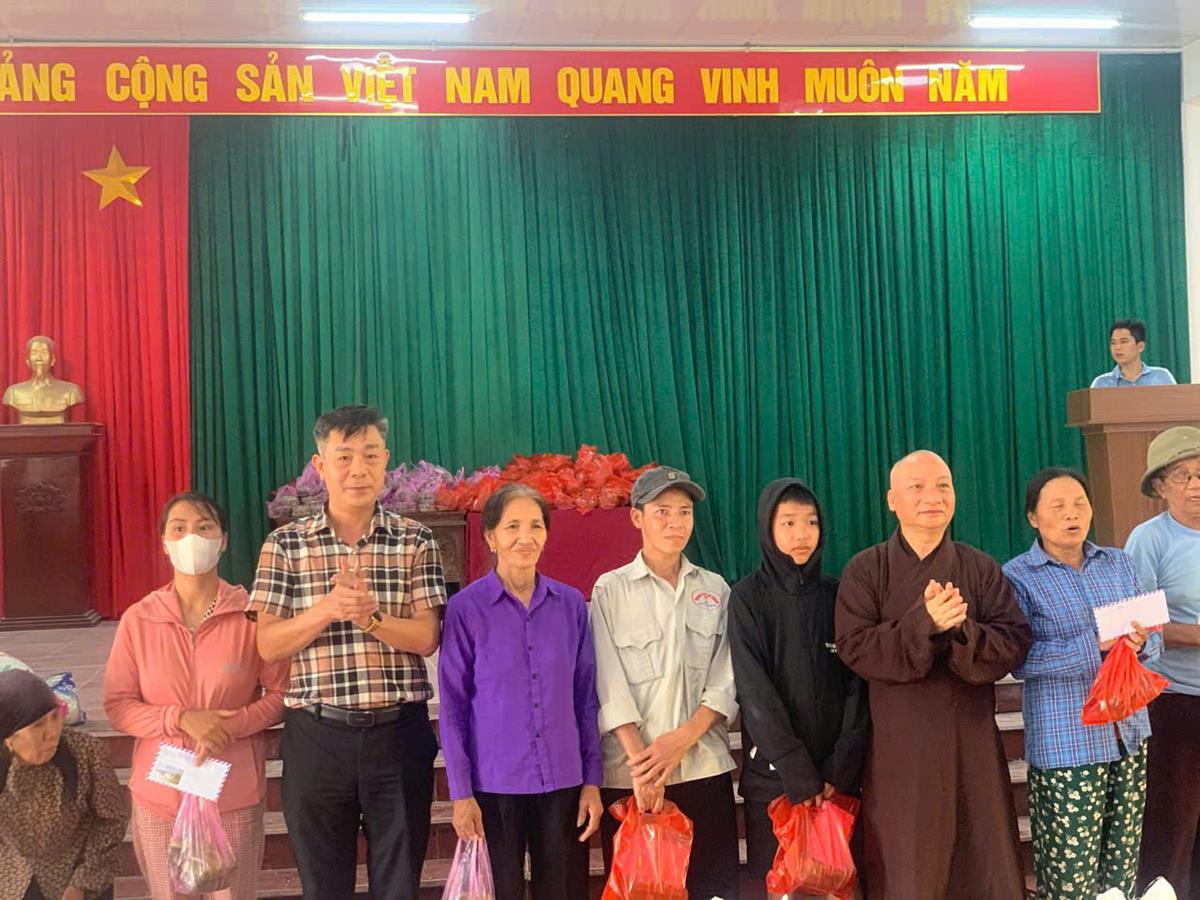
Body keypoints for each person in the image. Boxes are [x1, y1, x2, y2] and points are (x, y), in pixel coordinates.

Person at [250, 404, 446, 900]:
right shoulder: (285, 544)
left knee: (399, 884)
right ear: (320, 466)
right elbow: (268, 644)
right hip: (317, 736)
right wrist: (327, 609)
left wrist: (370, 617)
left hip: (397, 736)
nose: (358, 469)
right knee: (323, 885)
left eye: (370, 455)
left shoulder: (416, 540)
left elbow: (427, 637)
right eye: (344, 457)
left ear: (386, 461)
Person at [834, 450, 1032, 900]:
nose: (933, 497)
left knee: (982, 856)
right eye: (917, 487)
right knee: (909, 862)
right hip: (901, 744)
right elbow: (854, 646)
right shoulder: (866, 569)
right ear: (892, 500)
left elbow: (1013, 641)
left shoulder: (980, 567)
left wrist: (961, 629)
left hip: (971, 739)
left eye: (943, 486)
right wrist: (925, 622)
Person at [104, 491, 289, 900]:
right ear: (164, 543)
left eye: (204, 527)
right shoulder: (140, 619)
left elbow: (280, 693)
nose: (192, 537)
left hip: (232, 790)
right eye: (180, 528)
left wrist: (231, 724)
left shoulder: (251, 615)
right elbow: (119, 705)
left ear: (223, 541)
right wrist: (180, 719)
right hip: (160, 794)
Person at [438, 484, 602, 900]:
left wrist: (592, 781)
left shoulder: (570, 605)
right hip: (494, 785)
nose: (524, 537)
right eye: (512, 526)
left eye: (535, 526)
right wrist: (461, 793)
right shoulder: (465, 609)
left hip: (564, 781)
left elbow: (586, 699)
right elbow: (453, 708)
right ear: (491, 537)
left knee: (563, 892)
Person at [1003, 468, 1160, 899]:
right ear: (1033, 517)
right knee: (1070, 878)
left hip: (1129, 734)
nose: (1071, 514)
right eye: (1057, 506)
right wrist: (1094, 644)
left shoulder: (1117, 563)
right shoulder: (1018, 576)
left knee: (1121, 871)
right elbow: (1020, 659)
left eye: (1079, 504)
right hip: (1067, 745)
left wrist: (1141, 642)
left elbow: (1155, 638)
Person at [590, 466, 740, 900]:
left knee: (713, 890)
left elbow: (726, 678)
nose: (675, 522)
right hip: (633, 777)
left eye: (684, 512)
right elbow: (608, 682)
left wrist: (682, 740)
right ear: (636, 517)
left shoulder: (715, 589)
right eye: (662, 511)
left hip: (703, 767)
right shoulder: (611, 590)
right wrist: (643, 766)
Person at [730, 478, 868, 900]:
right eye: (788, 522)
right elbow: (755, 693)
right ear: (767, 528)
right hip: (775, 782)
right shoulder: (747, 598)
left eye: (811, 522)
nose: (801, 533)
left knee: (838, 887)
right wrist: (799, 774)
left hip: (837, 781)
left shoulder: (838, 595)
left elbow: (857, 684)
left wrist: (838, 768)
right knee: (781, 890)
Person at [1127, 426, 1200, 898]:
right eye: (1182, 475)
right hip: (1175, 702)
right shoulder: (1148, 540)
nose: (1195, 485)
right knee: (1174, 825)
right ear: (1159, 486)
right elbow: (1140, 625)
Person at [0, 668, 127, 900]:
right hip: (14, 879)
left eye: (54, 717)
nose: (52, 733)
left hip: (79, 873)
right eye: (38, 726)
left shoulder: (85, 753)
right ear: (8, 737)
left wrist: (82, 884)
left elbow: (112, 820)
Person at [2, 335, 85, 424]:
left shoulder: (71, 391)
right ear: (27, 360)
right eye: (34, 353)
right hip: (26, 432)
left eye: (44, 352)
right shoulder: (13, 392)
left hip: (59, 432)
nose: (39, 358)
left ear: (53, 359)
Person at [1090, 319, 1176, 388]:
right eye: (1113, 343)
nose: (1117, 347)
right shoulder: (1101, 383)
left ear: (1140, 346)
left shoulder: (1161, 376)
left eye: (1123, 342)